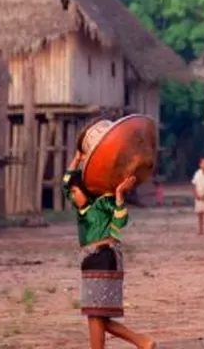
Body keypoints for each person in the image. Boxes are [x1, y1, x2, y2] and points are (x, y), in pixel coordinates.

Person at [64, 147, 157, 349]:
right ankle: (141, 341)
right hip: (90, 260)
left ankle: (141, 341)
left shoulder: (101, 203)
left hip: (105, 257)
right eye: (71, 192)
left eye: (74, 191)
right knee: (94, 314)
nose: (71, 195)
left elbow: (120, 221)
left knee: (96, 314)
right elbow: (65, 182)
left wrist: (119, 195)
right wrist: (77, 159)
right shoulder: (82, 212)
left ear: (84, 190)